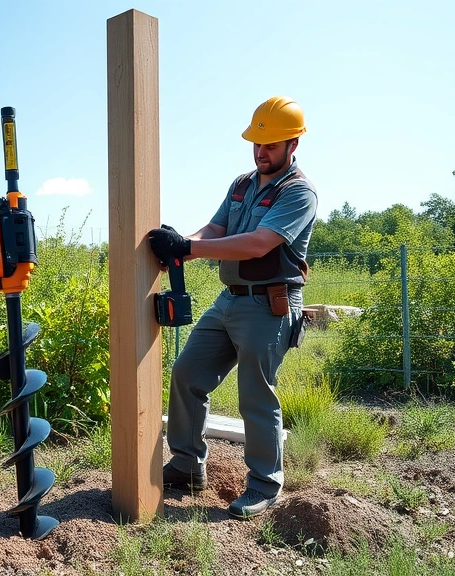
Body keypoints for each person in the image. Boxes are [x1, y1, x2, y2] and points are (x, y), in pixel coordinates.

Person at [147, 96, 318, 519]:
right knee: (187, 373)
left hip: (270, 305)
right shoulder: (242, 183)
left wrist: (190, 248)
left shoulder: (300, 192)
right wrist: (181, 243)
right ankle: (187, 465)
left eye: (272, 145)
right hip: (229, 299)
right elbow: (217, 228)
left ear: (293, 145)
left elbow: (259, 243)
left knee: (256, 396)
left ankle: (264, 485)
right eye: (257, 144)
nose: (262, 152)